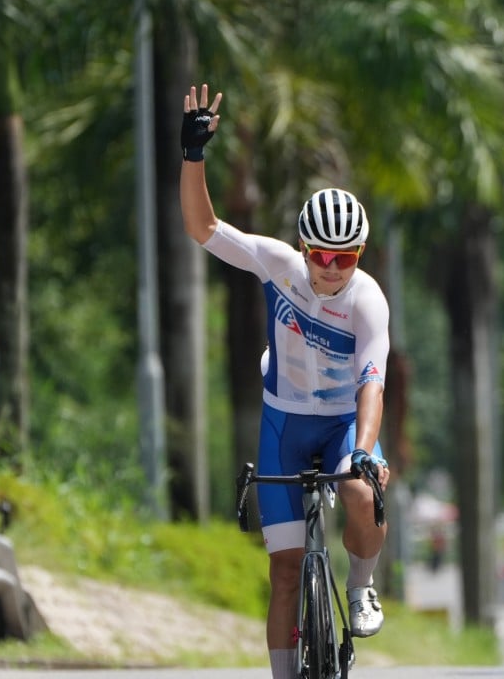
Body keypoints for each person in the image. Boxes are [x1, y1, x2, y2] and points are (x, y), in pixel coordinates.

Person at [179, 84, 392, 679]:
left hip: (344, 422)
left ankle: (361, 587)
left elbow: (372, 381)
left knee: (362, 491)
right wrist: (193, 154)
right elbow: (203, 228)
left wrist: (363, 451)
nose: (331, 268)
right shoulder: (277, 265)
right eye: (320, 255)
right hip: (285, 423)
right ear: (303, 247)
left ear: (360, 253)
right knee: (284, 572)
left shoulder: (368, 301)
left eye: (345, 257)